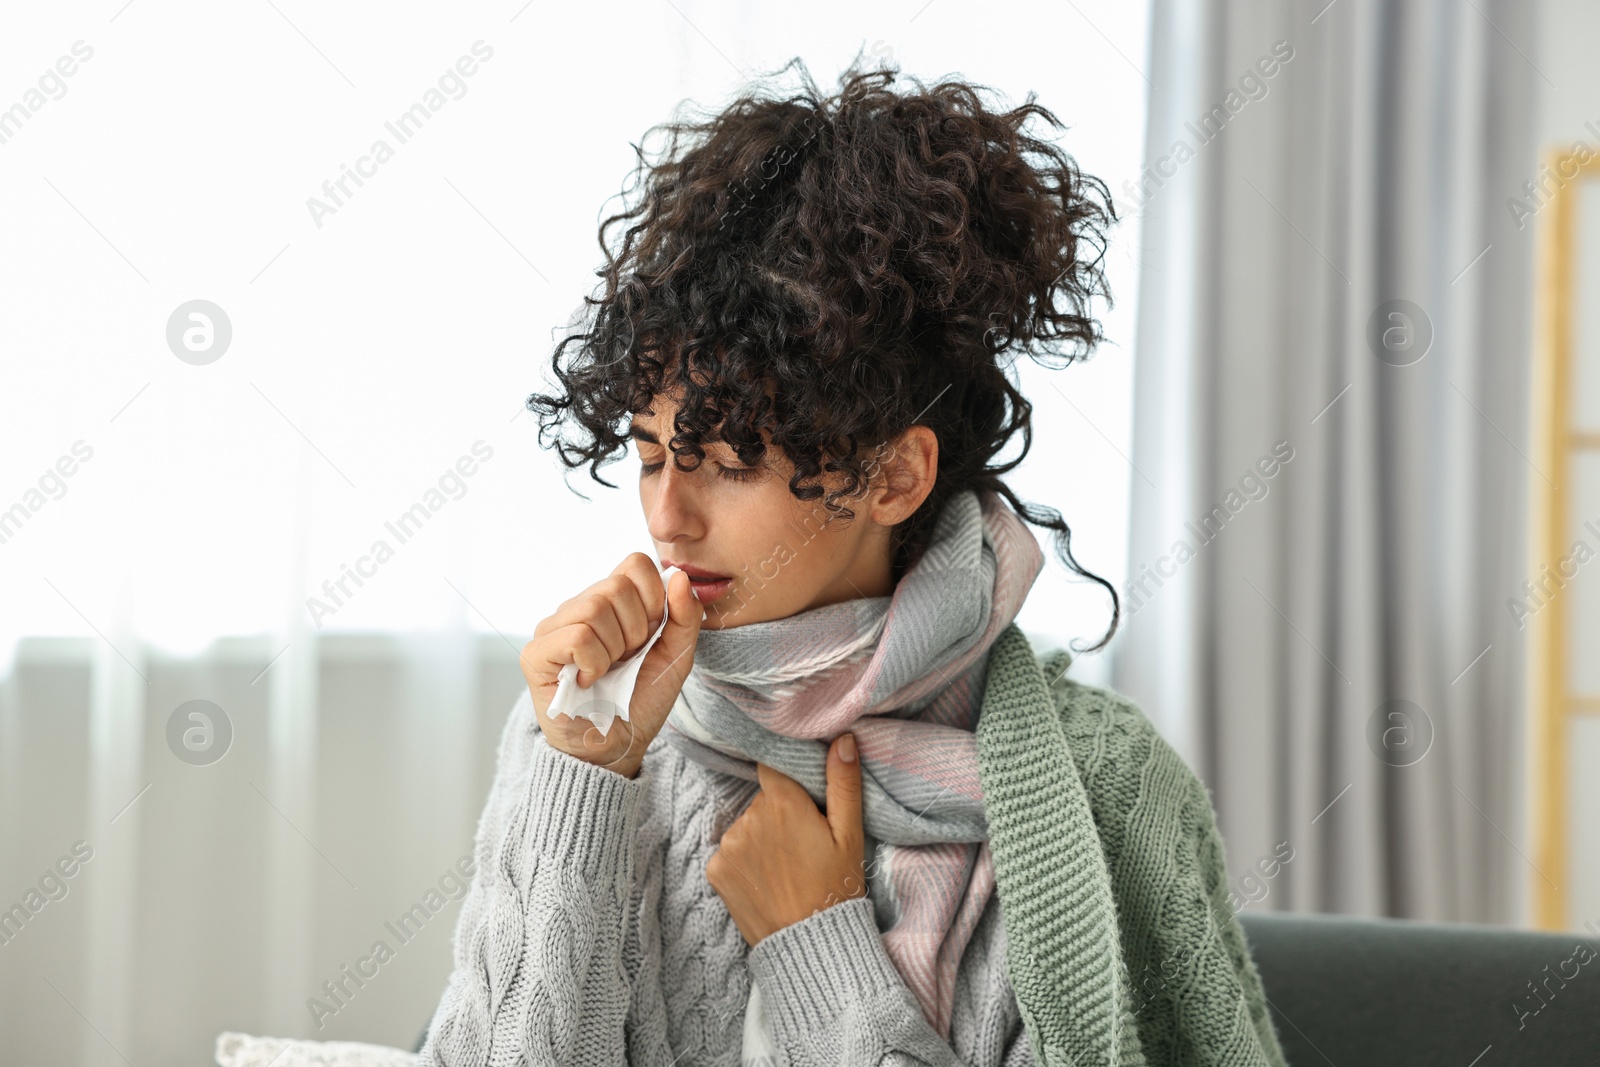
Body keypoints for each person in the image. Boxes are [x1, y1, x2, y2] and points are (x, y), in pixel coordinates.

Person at [416, 54, 1288, 1067]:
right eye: (649, 455)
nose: (668, 516)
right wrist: (577, 776)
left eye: (729, 463)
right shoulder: (592, 723)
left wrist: (815, 943)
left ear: (891, 477)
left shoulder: (1104, 785)